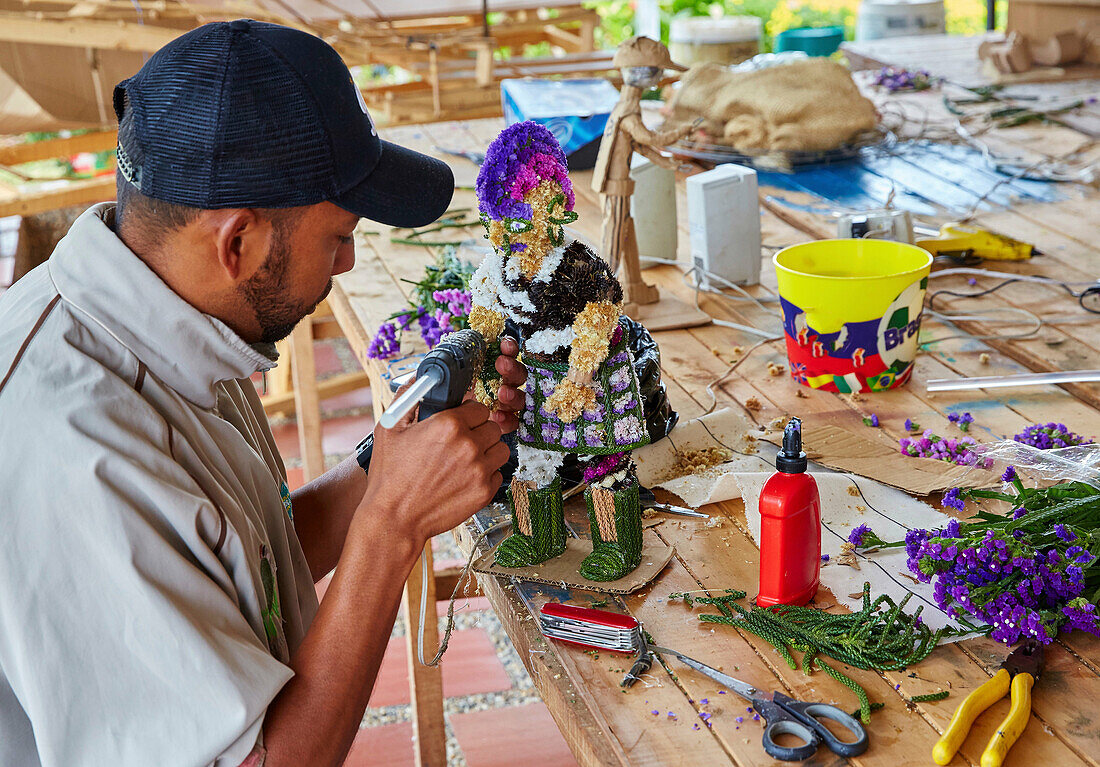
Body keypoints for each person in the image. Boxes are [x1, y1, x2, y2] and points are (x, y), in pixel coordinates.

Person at [0, 20, 525, 767]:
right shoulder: (77, 455)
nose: (345, 263)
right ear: (237, 243)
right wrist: (391, 526)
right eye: (337, 236)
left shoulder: (168, 322)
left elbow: (243, 563)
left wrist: (394, 460)